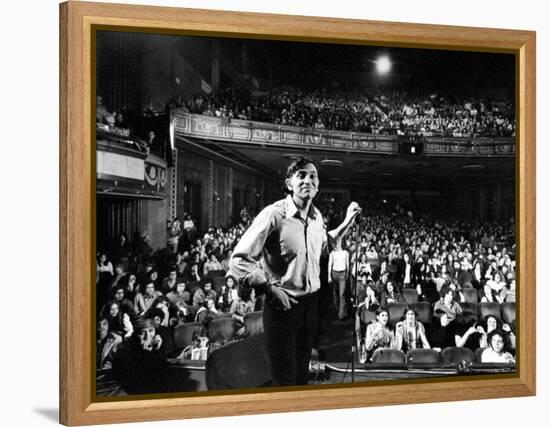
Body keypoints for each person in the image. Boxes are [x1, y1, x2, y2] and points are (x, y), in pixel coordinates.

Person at [228, 157, 361, 386]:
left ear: (318, 185)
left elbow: (326, 243)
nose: (307, 179)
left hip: (311, 308)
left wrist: (348, 221)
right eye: (301, 175)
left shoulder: (317, 216)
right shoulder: (274, 215)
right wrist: (268, 289)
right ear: (289, 183)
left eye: (313, 176)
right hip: (283, 307)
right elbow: (238, 261)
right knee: (284, 379)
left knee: (301, 375)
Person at [328, 239, 350, 320]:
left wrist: (347, 273)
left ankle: (341, 314)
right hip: (334, 273)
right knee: (335, 293)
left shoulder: (345, 253)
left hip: (342, 274)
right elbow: (330, 264)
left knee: (342, 294)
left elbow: (347, 264)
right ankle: (337, 308)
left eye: (339, 241)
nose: (337, 243)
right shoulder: (332, 253)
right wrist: (329, 276)